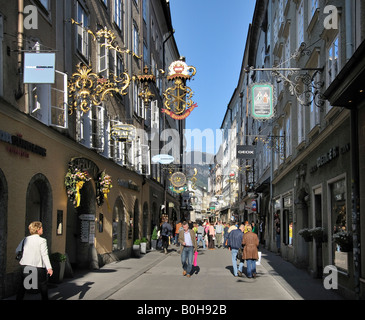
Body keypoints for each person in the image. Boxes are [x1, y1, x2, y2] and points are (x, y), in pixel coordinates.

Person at [15, 221, 53, 300]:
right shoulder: (42, 240)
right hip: (38, 266)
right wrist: (49, 268)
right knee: (43, 286)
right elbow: (44, 255)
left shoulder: (25, 239)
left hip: (25, 265)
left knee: (23, 287)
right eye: (41, 228)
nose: (43, 229)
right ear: (38, 229)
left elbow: (17, 250)